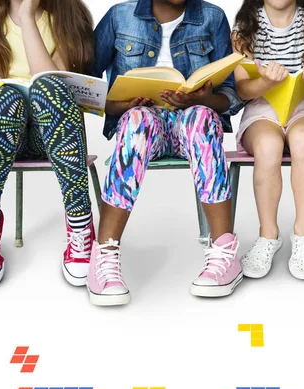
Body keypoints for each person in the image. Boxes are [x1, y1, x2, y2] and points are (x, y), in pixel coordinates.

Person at [88, 0, 242, 306]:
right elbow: (86, 86)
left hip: (191, 124)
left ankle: (225, 251)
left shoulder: (212, 17)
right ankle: (104, 254)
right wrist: (118, 107)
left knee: (202, 118)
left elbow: (231, 95)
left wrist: (203, 100)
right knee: (135, 121)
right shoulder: (121, 16)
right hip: (144, 125)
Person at [0, 0, 95, 289]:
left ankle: (80, 225)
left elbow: (55, 83)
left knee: (50, 88)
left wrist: (27, 16)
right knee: (2, 96)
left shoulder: (69, 13)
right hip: (6, 140)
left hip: (59, 140)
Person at [232, 0, 304, 280]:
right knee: (268, 145)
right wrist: (266, 82)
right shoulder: (244, 28)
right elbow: (242, 89)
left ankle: (303, 235)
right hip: (262, 107)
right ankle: (268, 235)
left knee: (302, 140)